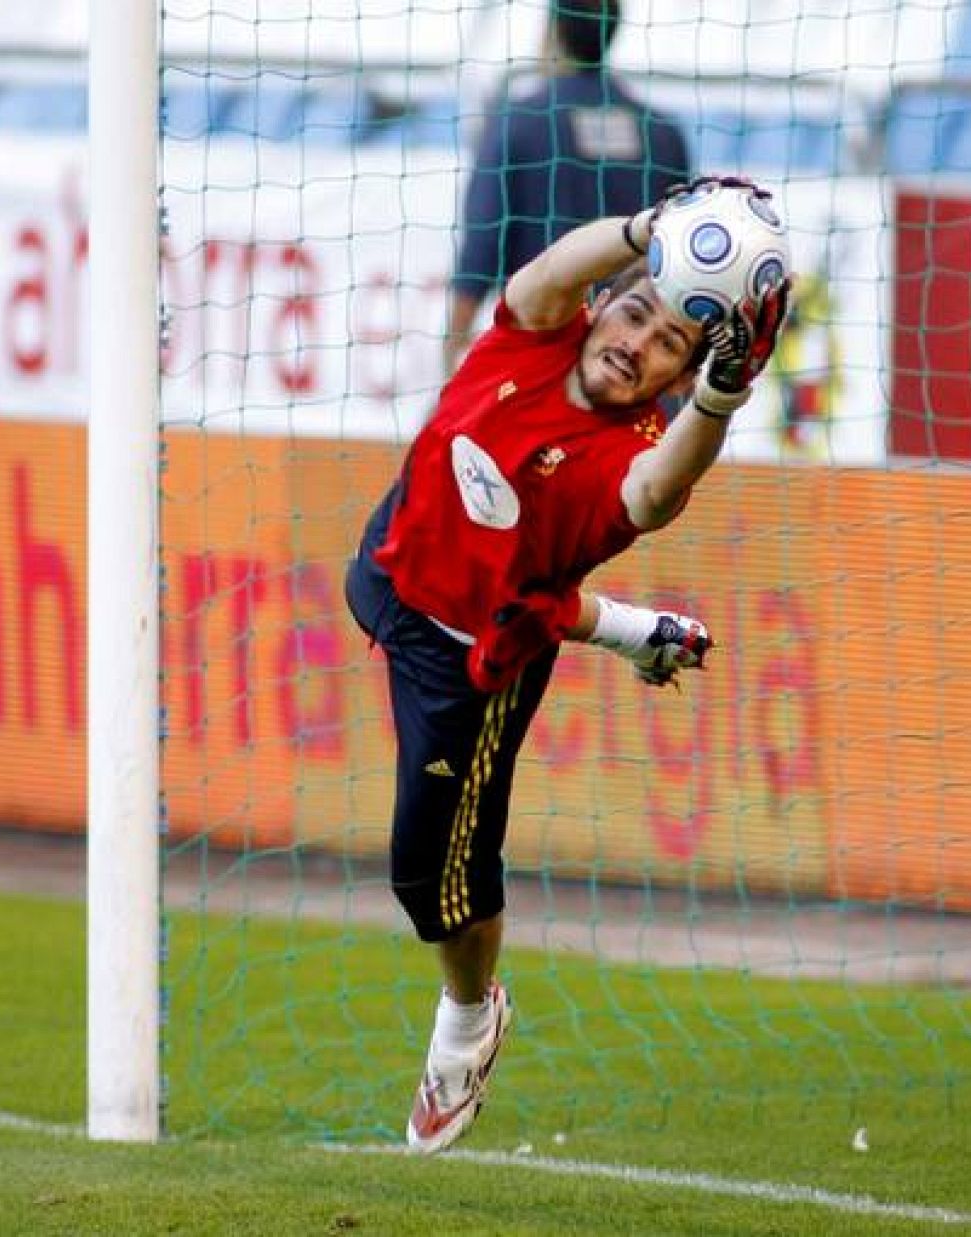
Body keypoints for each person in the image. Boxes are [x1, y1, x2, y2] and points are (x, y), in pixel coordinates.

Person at [346, 176, 789, 1155]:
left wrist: (719, 394)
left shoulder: (624, 450)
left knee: (428, 881)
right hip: (393, 574)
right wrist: (647, 229)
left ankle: (470, 1014)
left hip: (471, 667)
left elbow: (660, 486)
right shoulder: (538, 332)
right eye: (633, 312)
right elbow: (549, 273)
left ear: (672, 379)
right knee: (486, 583)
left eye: (667, 344)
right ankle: (642, 633)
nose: (635, 341)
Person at [443, 0, 692, 375]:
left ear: (554, 29)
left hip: (541, 359)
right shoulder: (663, 133)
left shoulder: (519, 121)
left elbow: (481, 250)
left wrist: (452, 352)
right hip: (630, 366)